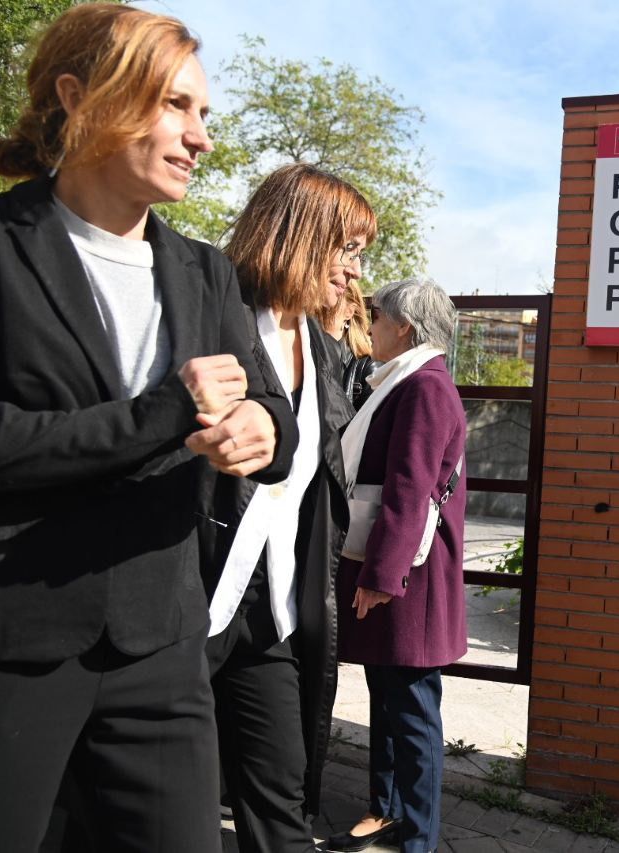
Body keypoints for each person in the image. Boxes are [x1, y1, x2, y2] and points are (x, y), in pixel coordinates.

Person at [0, 5, 298, 853]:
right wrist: (167, 412)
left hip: (163, 648)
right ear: (80, 96)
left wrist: (257, 430)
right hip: (5, 643)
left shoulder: (205, 270)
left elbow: (272, 409)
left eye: (203, 113)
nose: (199, 136)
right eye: (174, 105)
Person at [200, 163, 375, 853]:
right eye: (349, 250)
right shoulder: (213, 313)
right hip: (186, 605)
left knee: (281, 804)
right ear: (303, 234)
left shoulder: (325, 352)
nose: (356, 273)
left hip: (268, 616)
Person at [328, 279, 468, 853]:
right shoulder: (403, 381)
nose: (369, 326)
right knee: (385, 699)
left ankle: (420, 837)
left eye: (376, 315)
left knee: (412, 712)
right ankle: (384, 812)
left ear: (405, 325)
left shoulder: (425, 388)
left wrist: (383, 577)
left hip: (407, 577)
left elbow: (411, 490)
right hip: (388, 569)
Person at [322, 279, 378, 410]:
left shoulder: (368, 369)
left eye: (325, 309)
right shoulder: (301, 355)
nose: (315, 316)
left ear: (349, 311)